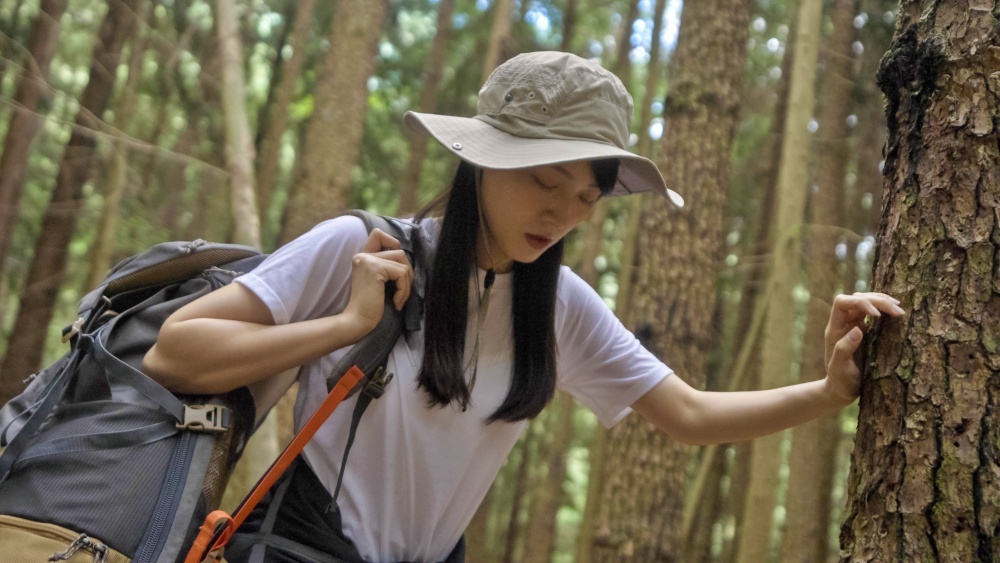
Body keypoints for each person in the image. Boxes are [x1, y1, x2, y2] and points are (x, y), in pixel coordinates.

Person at [142, 51, 903, 563]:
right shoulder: (361, 248)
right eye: (547, 180)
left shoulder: (561, 306)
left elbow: (691, 415)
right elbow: (174, 352)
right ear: (482, 159)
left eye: (585, 196)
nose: (563, 212)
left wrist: (833, 391)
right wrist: (345, 326)